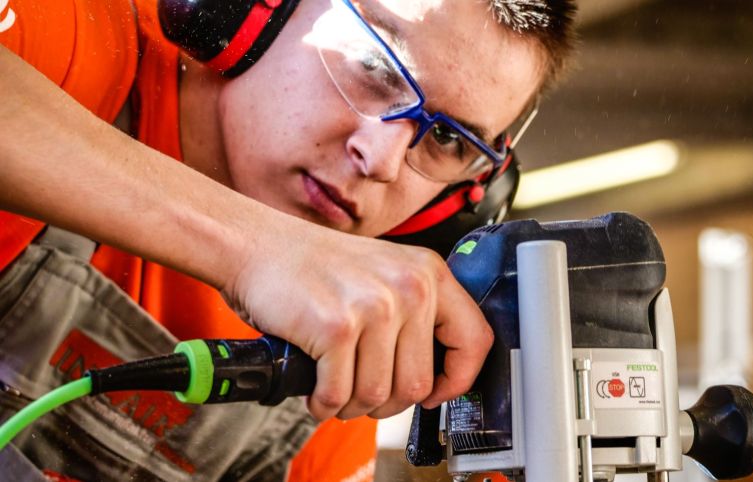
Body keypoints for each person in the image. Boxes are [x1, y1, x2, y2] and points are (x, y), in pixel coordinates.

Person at [0, 0, 577, 480]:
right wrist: (254, 248)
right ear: (252, 12)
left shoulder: (339, 363)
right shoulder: (71, 37)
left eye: (449, 141)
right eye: (374, 66)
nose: (379, 160)